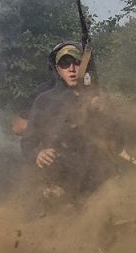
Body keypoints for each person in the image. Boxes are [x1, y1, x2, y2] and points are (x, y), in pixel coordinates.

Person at [21, 41, 123, 201]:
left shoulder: (101, 98)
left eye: (77, 62)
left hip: (97, 182)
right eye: (65, 63)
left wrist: (105, 113)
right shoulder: (45, 101)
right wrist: (38, 154)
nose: (71, 68)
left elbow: (119, 140)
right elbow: (28, 142)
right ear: (57, 69)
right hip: (58, 182)